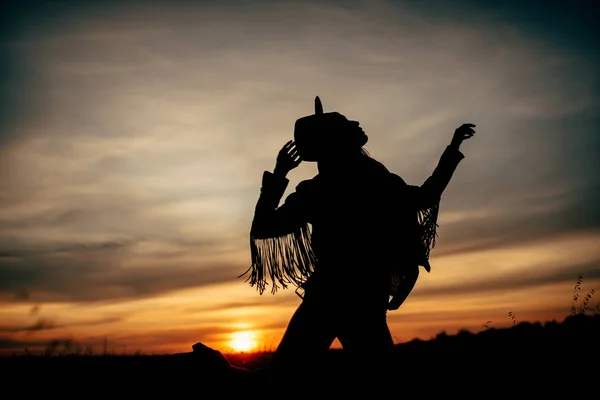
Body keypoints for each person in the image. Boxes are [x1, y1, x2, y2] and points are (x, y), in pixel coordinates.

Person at [236, 96, 475, 386]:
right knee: (378, 378)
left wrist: (279, 173)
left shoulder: (318, 191)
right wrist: (452, 151)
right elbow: (426, 195)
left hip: (329, 295)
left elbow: (263, 227)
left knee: (283, 378)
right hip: (364, 295)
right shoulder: (378, 182)